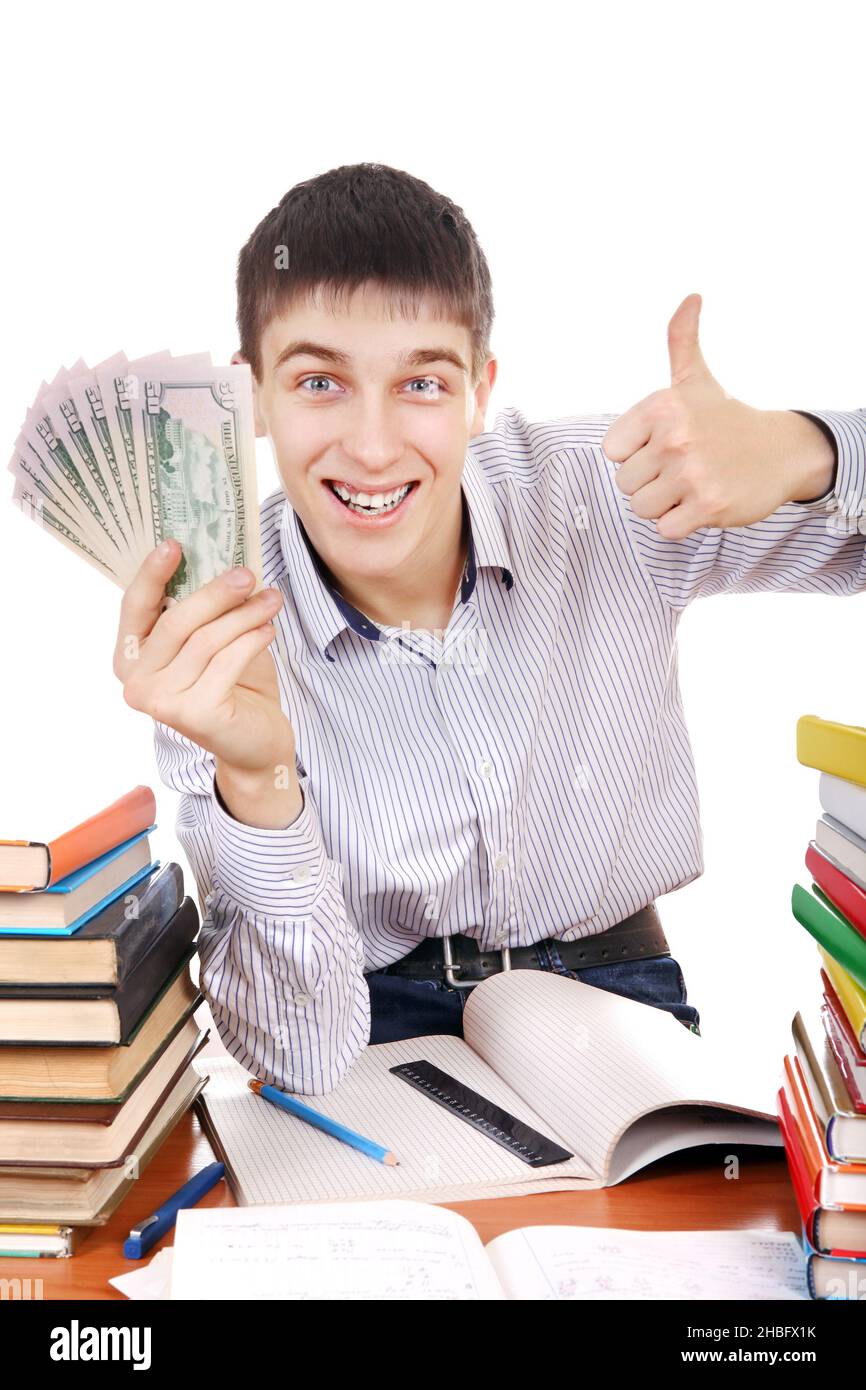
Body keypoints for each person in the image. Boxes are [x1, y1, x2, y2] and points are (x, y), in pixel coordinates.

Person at [113, 162, 866, 1096]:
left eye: (422, 384)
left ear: (480, 390)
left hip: (615, 997)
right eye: (319, 382)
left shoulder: (609, 492)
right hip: (366, 1018)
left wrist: (809, 451)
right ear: (252, 397)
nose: (375, 445)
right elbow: (299, 1056)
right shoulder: (214, 630)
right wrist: (258, 777)